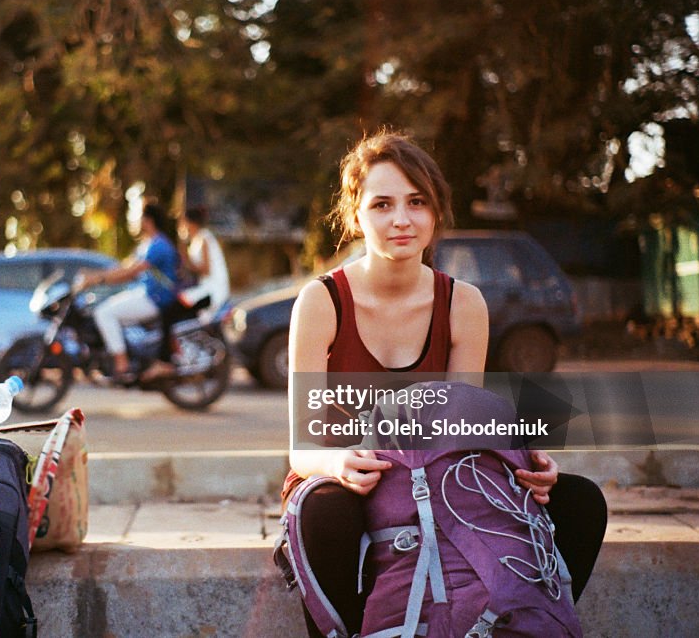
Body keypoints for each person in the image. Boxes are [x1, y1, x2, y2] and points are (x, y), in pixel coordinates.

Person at [284, 129, 607, 637]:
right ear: (356, 214)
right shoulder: (321, 301)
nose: (401, 219)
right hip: (350, 476)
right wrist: (334, 462)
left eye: (417, 202)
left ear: (436, 212)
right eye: (382, 204)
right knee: (323, 512)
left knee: (580, 500)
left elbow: (464, 435)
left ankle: (525, 623)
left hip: (435, 480)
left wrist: (522, 458)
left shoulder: (463, 302)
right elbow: (301, 448)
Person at [76, 203, 180, 382]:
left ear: (148, 221)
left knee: (104, 313)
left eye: (141, 218)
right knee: (107, 306)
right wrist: (96, 277)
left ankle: (121, 363)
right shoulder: (147, 244)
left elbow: (132, 271)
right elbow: (124, 269)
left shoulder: (158, 245)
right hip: (144, 293)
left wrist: (97, 279)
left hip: (156, 298)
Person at [144, 206, 231, 380]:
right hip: (204, 291)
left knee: (169, 312)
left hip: (210, 293)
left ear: (190, 223)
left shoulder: (204, 238)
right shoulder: (198, 240)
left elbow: (205, 269)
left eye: (183, 222)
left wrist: (185, 259)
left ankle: (165, 360)